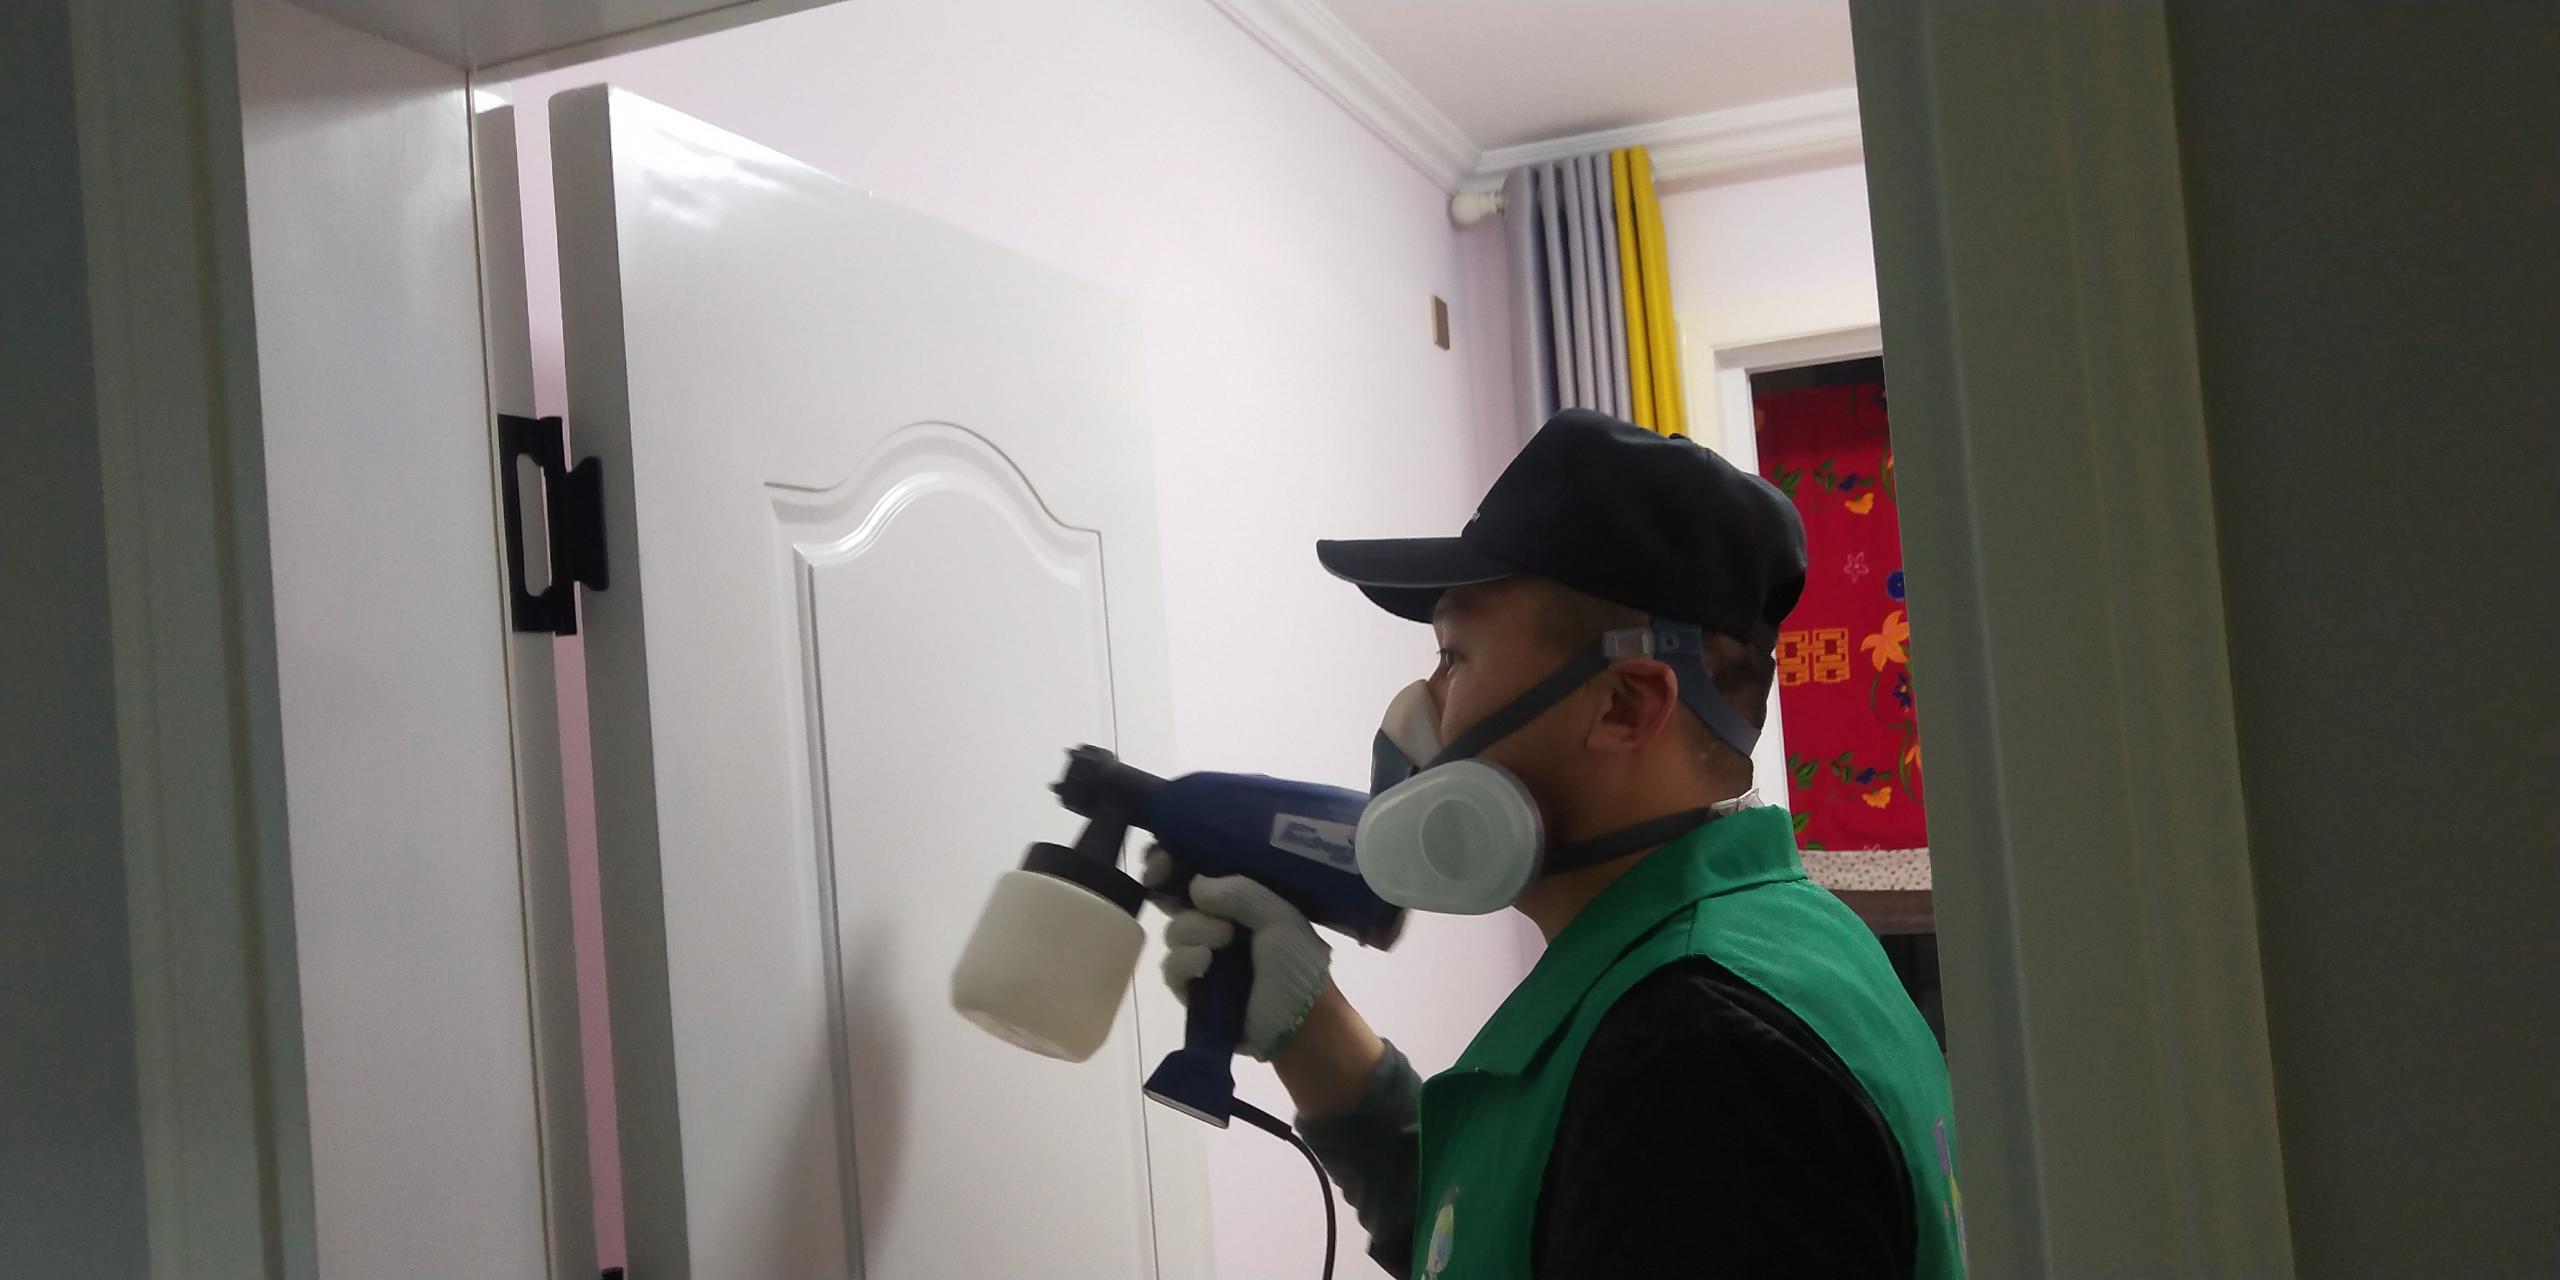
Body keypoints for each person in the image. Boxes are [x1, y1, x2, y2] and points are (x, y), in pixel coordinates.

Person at [1150, 410, 1965, 1279]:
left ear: (1624, 705)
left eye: (1455, 656)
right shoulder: (1779, 945)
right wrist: (1309, 1027)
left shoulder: (1694, 1059)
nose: (1422, 706)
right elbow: (1520, 1226)